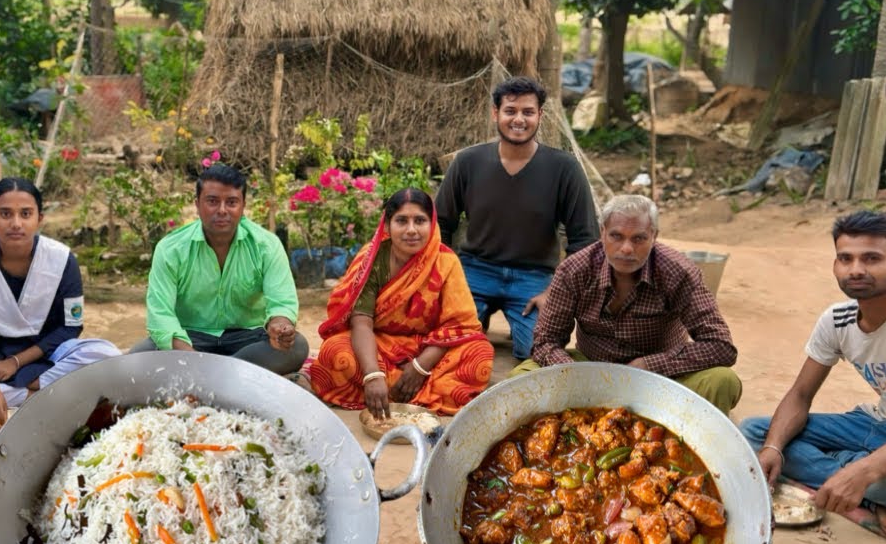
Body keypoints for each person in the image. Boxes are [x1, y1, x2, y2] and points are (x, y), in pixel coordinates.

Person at [741, 211, 886, 537]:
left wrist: (863, 472)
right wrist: (773, 448)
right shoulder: (836, 320)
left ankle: (871, 481)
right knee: (756, 433)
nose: (856, 269)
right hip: (874, 425)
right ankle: (870, 482)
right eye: (845, 258)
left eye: (871, 258)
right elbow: (800, 395)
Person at [513, 195, 742, 414]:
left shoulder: (678, 272)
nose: (626, 248)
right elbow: (545, 342)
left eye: (638, 238)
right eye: (616, 236)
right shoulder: (574, 270)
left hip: (663, 379)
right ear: (602, 233)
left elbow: (720, 346)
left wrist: (650, 364)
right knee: (520, 378)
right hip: (592, 368)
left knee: (722, 380)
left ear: (654, 236)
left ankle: (697, 439)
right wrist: (575, 374)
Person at [435, 76, 600, 360]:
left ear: (540, 116)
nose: (519, 119)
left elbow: (585, 239)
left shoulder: (564, 168)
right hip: (475, 270)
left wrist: (554, 292)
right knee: (451, 344)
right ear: (495, 113)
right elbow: (441, 223)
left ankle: (501, 320)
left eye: (528, 112)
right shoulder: (468, 162)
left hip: (534, 276)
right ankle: (477, 317)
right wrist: (449, 277)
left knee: (537, 351)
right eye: (510, 111)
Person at [0, 178, 120, 431]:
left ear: (39, 218)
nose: (16, 223)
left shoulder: (62, 260)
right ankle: (39, 395)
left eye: (25, 214)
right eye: (5, 214)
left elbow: (70, 328)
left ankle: (19, 394)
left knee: (105, 355)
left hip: (47, 354)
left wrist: (16, 362)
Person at [309, 188, 494, 417]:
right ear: (387, 225)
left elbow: (458, 327)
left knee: (479, 354)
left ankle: (392, 392)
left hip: (429, 348)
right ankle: (392, 389)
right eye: (401, 221)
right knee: (335, 351)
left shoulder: (446, 262)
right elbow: (361, 321)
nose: (411, 230)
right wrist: (372, 374)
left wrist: (419, 367)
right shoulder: (372, 258)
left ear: (432, 223)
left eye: (420, 221)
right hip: (379, 346)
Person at [131, 163, 308, 373]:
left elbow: (282, 303)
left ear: (243, 206)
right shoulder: (170, 249)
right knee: (139, 358)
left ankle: (207, 376)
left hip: (248, 339)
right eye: (212, 201)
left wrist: (280, 327)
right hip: (188, 340)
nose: (222, 210)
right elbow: (160, 315)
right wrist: (188, 354)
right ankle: (234, 375)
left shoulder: (266, 245)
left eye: (231, 202)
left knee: (296, 347)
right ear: (197, 204)